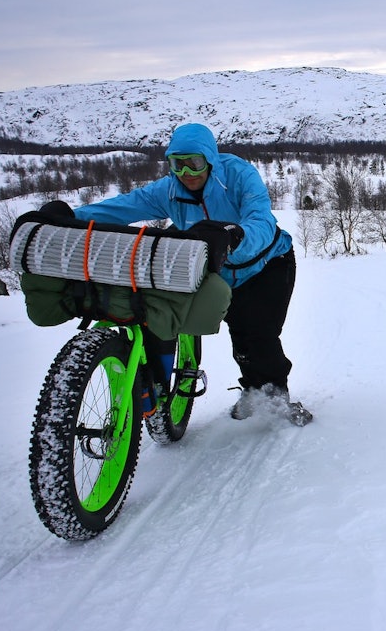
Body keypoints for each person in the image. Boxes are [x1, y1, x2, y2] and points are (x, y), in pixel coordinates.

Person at [73, 122, 312, 426]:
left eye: (195, 163)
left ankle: (276, 398)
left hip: (268, 264)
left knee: (261, 332)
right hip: (221, 273)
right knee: (240, 334)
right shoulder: (169, 190)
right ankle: (253, 391)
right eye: (178, 165)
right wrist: (72, 217)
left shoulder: (238, 176)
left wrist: (236, 235)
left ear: (210, 159)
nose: (187, 173)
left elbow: (261, 219)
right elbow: (125, 206)